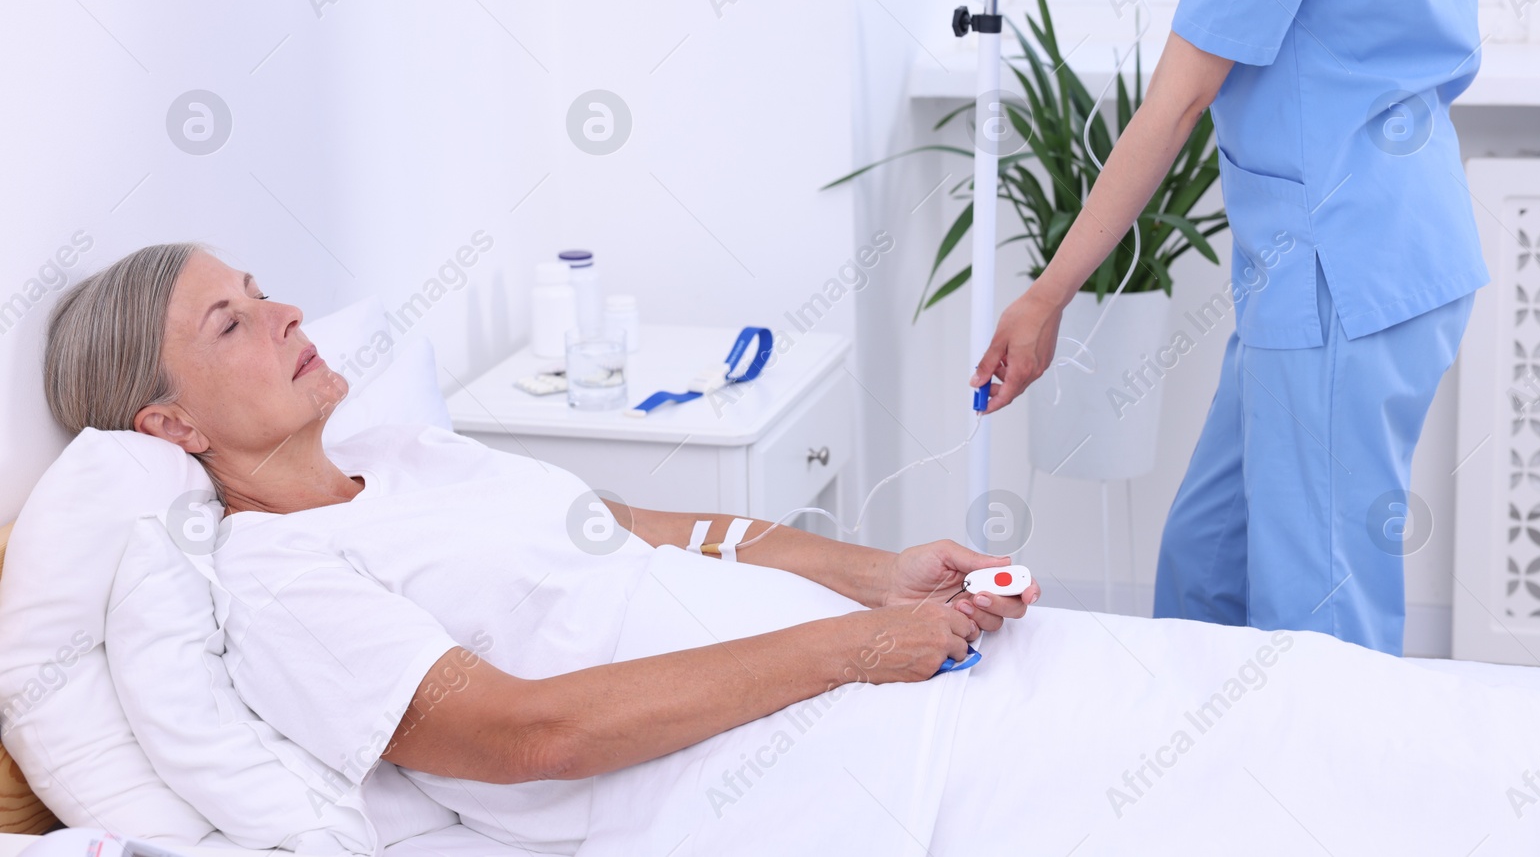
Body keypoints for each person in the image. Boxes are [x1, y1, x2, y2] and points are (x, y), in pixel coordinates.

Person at [41, 242, 1038, 853]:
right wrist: (854, 649)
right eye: (234, 321)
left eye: (262, 289)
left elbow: (632, 526)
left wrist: (874, 578)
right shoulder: (275, 581)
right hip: (765, 769)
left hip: (863, 681)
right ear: (171, 427)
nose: (286, 313)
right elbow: (527, 733)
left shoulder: (400, 452)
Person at [971, 0, 1487, 655]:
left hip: (1334, 274)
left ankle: (1318, 788)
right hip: (1385, 246)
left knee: (1317, 631)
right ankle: (1202, 783)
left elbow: (1178, 101)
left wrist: (1049, 297)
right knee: (1206, 563)